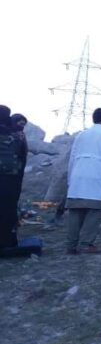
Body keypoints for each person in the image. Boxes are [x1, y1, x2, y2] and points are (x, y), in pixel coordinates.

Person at [65, 108, 101, 254]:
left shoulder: (81, 135)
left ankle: (71, 245)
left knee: (75, 211)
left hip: (78, 175)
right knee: (95, 210)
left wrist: (70, 178)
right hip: (97, 174)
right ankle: (86, 243)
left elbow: (72, 158)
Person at [0, 105, 26, 248]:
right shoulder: (17, 136)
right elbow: (22, 157)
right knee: (8, 210)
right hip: (10, 179)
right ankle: (8, 242)